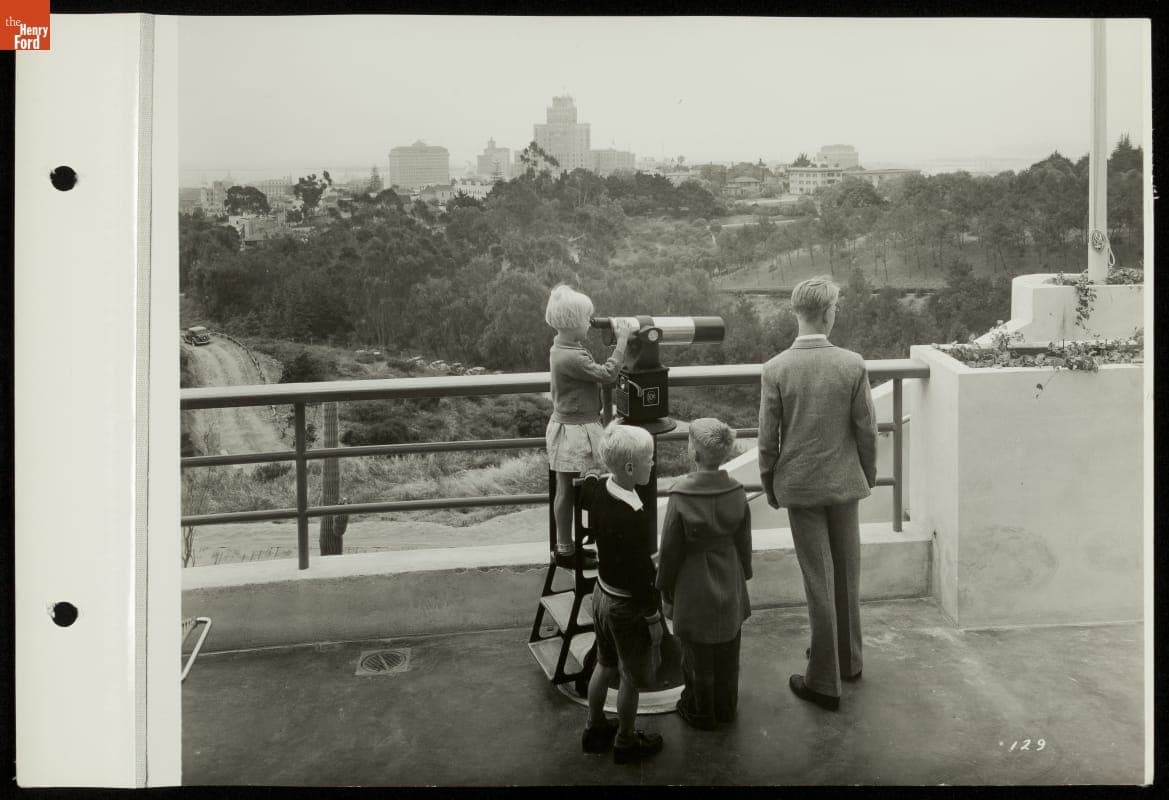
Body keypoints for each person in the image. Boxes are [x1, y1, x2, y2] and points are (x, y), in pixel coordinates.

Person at [758, 275, 877, 712]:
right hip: (845, 483)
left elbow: (768, 440)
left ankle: (824, 681)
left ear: (797, 313)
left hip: (801, 487)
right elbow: (866, 430)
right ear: (829, 313)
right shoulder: (852, 364)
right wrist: (866, 473)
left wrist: (770, 483)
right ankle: (849, 661)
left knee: (818, 581)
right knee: (847, 573)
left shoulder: (775, 369)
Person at [656, 418, 752, 730]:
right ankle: (727, 708)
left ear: (694, 453)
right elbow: (744, 541)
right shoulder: (737, 491)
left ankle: (699, 710)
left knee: (695, 653)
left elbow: (670, 548)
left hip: (694, 582)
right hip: (730, 577)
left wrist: (665, 586)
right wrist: (743, 574)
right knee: (729, 648)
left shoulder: (682, 495)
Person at [580, 421, 666, 764]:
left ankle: (594, 726)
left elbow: (588, 489)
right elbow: (640, 576)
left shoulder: (601, 488)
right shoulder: (633, 513)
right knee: (630, 677)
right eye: (649, 460)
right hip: (626, 607)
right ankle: (626, 741)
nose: (653, 465)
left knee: (603, 663)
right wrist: (654, 616)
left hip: (601, 593)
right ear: (630, 468)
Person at [545, 285, 638, 570]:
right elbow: (608, 375)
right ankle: (575, 547)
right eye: (587, 318)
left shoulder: (561, 346)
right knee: (588, 487)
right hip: (577, 429)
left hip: (569, 425)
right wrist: (621, 341)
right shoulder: (572, 356)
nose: (590, 322)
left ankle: (567, 547)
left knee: (569, 490)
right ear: (574, 323)